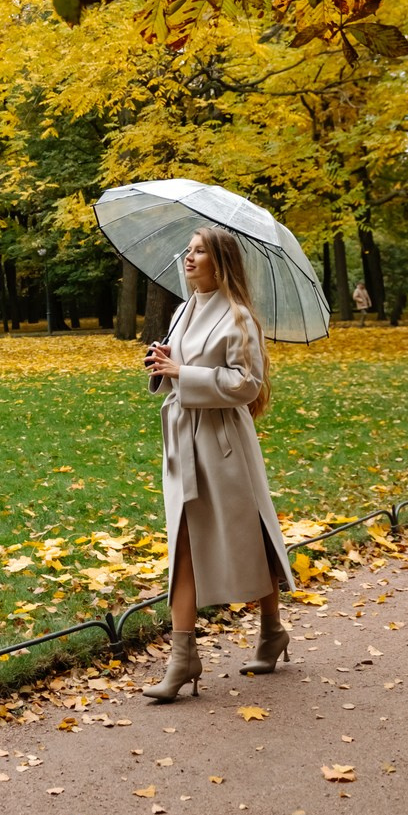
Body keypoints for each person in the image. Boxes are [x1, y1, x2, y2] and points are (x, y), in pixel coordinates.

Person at [142, 227, 295, 700]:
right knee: (183, 543)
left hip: (223, 444)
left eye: (200, 251)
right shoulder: (183, 310)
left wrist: (183, 372)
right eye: (188, 251)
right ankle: (183, 658)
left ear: (221, 262)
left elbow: (247, 384)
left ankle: (271, 630)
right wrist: (164, 362)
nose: (189, 258)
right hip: (182, 439)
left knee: (249, 536)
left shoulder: (238, 316)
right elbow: (179, 370)